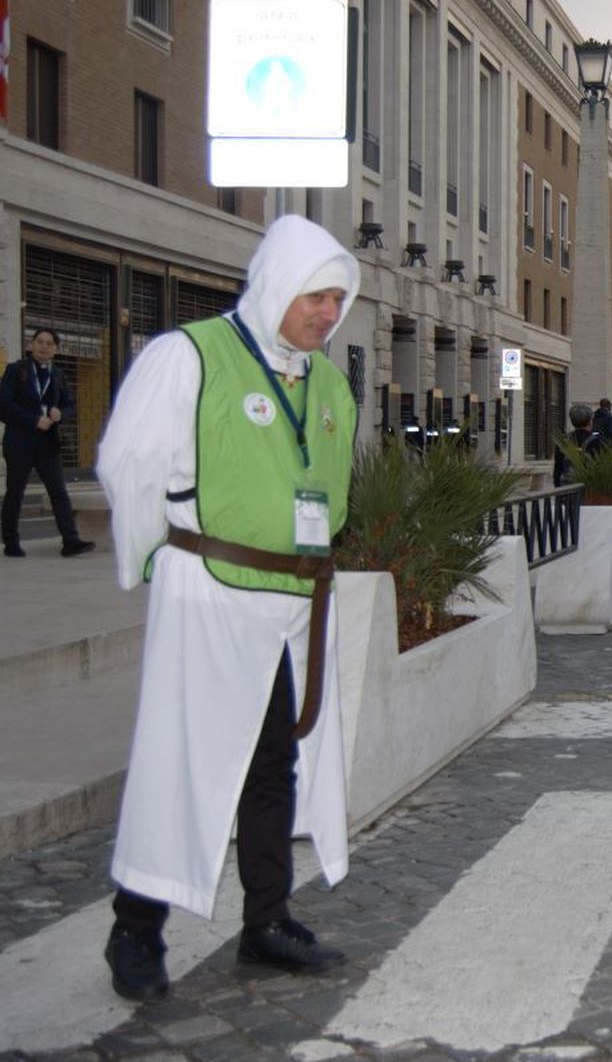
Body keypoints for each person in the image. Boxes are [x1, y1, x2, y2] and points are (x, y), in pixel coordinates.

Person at [94, 215, 360, 1001]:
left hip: (295, 603)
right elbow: (130, 462)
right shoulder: (190, 355)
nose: (327, 313)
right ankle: (135, 929)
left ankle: (266, 920)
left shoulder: (328, 383)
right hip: (211, 593)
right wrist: (153, 557)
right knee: (183, 758)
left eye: (337, 299)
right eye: (315, 296)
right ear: (277, 286)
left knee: (275, 760)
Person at [1, 327, 96, 558]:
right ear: (31, 345)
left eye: (49, 343)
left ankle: (70, 541)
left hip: (47, 444)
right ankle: (11, 543)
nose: (44, 346)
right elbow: (4, 405)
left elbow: (69, 405)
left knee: (59, 492)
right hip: (19, 443)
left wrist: (60, 414)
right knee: (15, 493)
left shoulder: (58, 374)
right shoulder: (16, 370)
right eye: (40, 341)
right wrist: (34, 420)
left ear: (55, 349)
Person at [553, 403, 606, 486]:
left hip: (567, 487)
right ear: (590, 421)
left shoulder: (564, 441)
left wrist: (558, 487)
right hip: (590, 487)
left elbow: (558, 469)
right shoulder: (598, 441)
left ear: (572, 422)